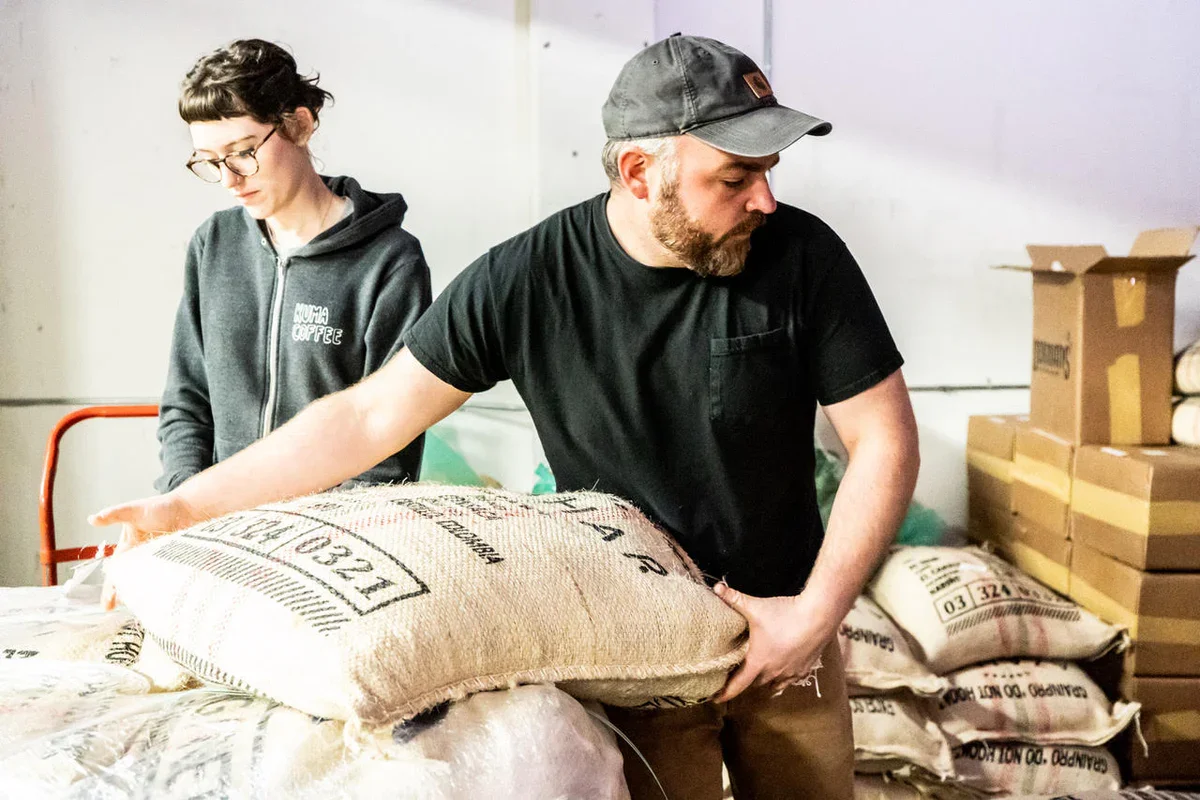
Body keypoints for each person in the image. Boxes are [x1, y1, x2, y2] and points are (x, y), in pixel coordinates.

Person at [95, 34, 919, 800]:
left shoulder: (803, 256)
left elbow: (882, 439)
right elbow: (369, 416)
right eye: (734, 178)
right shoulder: (527, 279)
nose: (765, 198)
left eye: (769, 170)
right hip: (636, 647)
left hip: (790, 633)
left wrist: (814, 617)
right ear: (639, 172)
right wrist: (184, 506)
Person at [155, 38, 430, 492]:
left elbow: (389, 443)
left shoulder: (390, 261)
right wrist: (185, 500)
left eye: (243, 152)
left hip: (330, 537)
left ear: (299, 124)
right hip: (215, 525)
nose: (229, 180)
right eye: (209, 162)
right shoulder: (214, 244)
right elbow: (187, 402)